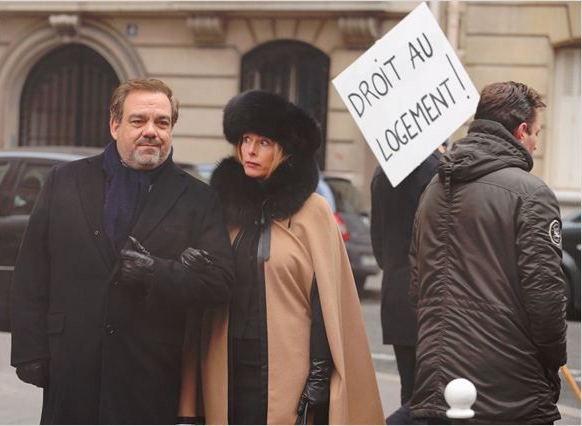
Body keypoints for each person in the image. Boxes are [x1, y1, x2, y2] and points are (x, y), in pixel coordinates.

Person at [10, 78, 234, 424]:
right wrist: (29, 351)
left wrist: (156, 272)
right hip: (71, 370)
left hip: (151, 378)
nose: (151, 131)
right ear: (115, 125)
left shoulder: (199, 200)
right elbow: (31, 272)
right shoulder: (64, 181)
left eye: (162, 122)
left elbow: (221, 282)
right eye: (138, 120)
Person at [202, 90, 384, 425]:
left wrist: (318, 373)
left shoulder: (313, 211)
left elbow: (326, 301)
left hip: (287, 372)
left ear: (284, 151)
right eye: (245, 140)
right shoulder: (224, 210)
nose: (251, 151)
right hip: (226, 366)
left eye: (264, 142)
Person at [409, 81, 567, 424]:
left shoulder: (434, 188)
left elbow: (417, 282)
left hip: (437, 378)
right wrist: (551, 364)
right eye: (537, 132)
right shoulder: (531, 193)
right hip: (510, 388)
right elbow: (546, 300)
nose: (537, 144)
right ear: (522, 130)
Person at [370, 146, 442, 424]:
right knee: (429, 401)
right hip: (428, 296)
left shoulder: (381, 171)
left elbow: (379, 246)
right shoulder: (436, 169)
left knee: (409, 391)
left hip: (395, 292)